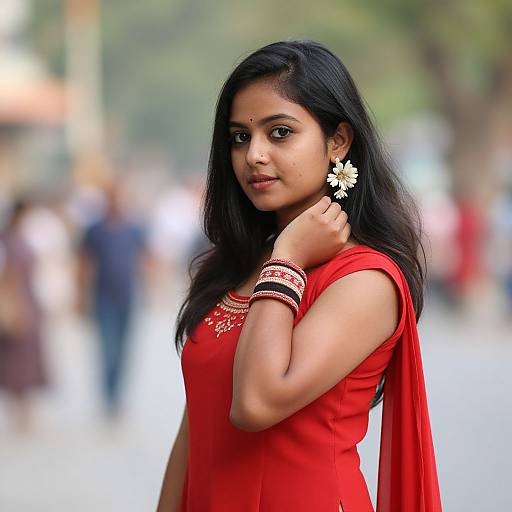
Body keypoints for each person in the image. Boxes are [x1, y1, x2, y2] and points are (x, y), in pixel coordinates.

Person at [157, 39, 442, 512]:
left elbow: (256, 404)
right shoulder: (237, 265)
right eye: (240, 137)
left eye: (280, 133)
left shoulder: (366, 280)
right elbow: (193, 433)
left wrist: (287, 257)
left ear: (338, 141)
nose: (254, 156)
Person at [78, 180, 146, 418]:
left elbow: (143, 258)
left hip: (127, 295)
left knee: (124, 348)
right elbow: (84, 263)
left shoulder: (134, 228)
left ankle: (117, 394)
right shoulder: (94, 229)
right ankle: (108, 396)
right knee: (108, 347)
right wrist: (81, 296)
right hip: (103, 296)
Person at [0, 199, 48, 433]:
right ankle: (21, 410)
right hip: (19, 302)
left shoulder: (16, 238)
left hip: (27, 299)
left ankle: (25, 409)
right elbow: (11, 276)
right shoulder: (9, 241)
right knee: (18, 359)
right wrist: (15, 305)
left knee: (24, 358)